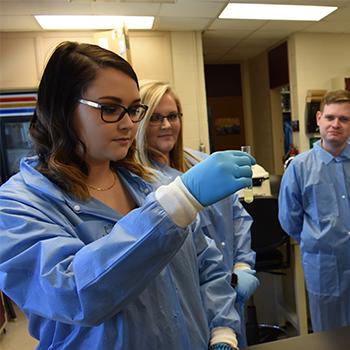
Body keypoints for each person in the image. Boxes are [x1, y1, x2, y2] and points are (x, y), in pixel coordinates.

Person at [0, 41, 256, 350]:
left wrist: (222, 331)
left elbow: (206, 265)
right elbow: (73, 294)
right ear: (61, 108)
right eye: (109, 108)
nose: (128, 124)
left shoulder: (148, 184)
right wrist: (176, 205)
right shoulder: (19, 205)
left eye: (134, 109)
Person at [136, 80, 259, 347]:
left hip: (231, 287)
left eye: (172, 116)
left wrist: (243, 265)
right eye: (155, 118)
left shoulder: (204, 163)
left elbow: (236, 216)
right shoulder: (142, 181)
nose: (167, 125)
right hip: (190, 300)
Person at [278, 89, 350, 333]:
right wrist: (317, 242)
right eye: (330, 117)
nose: (336, 124)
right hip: (324, 267)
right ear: (319, 118)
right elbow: (289, 219)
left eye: (344, 119)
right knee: (329, 336)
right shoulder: (299, 167)